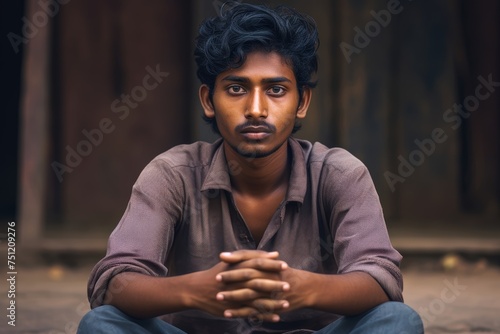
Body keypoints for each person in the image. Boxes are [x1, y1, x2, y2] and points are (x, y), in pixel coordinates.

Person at [78, 3, 423, 333]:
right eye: (236, 88)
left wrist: (304, 288)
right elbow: (114, 281)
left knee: (397, 320)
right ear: (208, 100)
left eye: (275, 89)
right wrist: (196, 290)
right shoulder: (172, 174)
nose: (256, 109)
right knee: (101, 324)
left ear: (301, 101)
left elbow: (381, 279)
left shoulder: (340, 173)